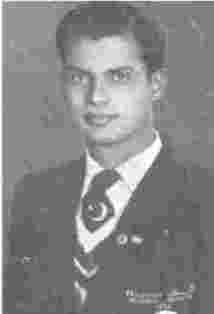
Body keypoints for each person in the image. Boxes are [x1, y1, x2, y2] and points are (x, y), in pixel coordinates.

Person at [4, 2, 213, 314]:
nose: (96, 97)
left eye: (118, 77)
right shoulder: (35, 197)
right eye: (79, 78)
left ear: (155, 85)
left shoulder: (204, 199)